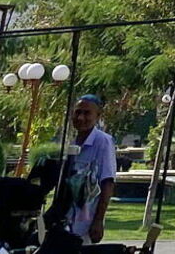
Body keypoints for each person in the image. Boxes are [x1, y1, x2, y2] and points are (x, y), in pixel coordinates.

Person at [62, 95, 115, 243]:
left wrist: (98, 221)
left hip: (86, 222)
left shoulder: (103, 141)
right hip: (65, 218)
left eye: (87, 113)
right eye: (78, 112)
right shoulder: (70, 142)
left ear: (97, 116)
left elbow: (107, 182)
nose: (81, 117)